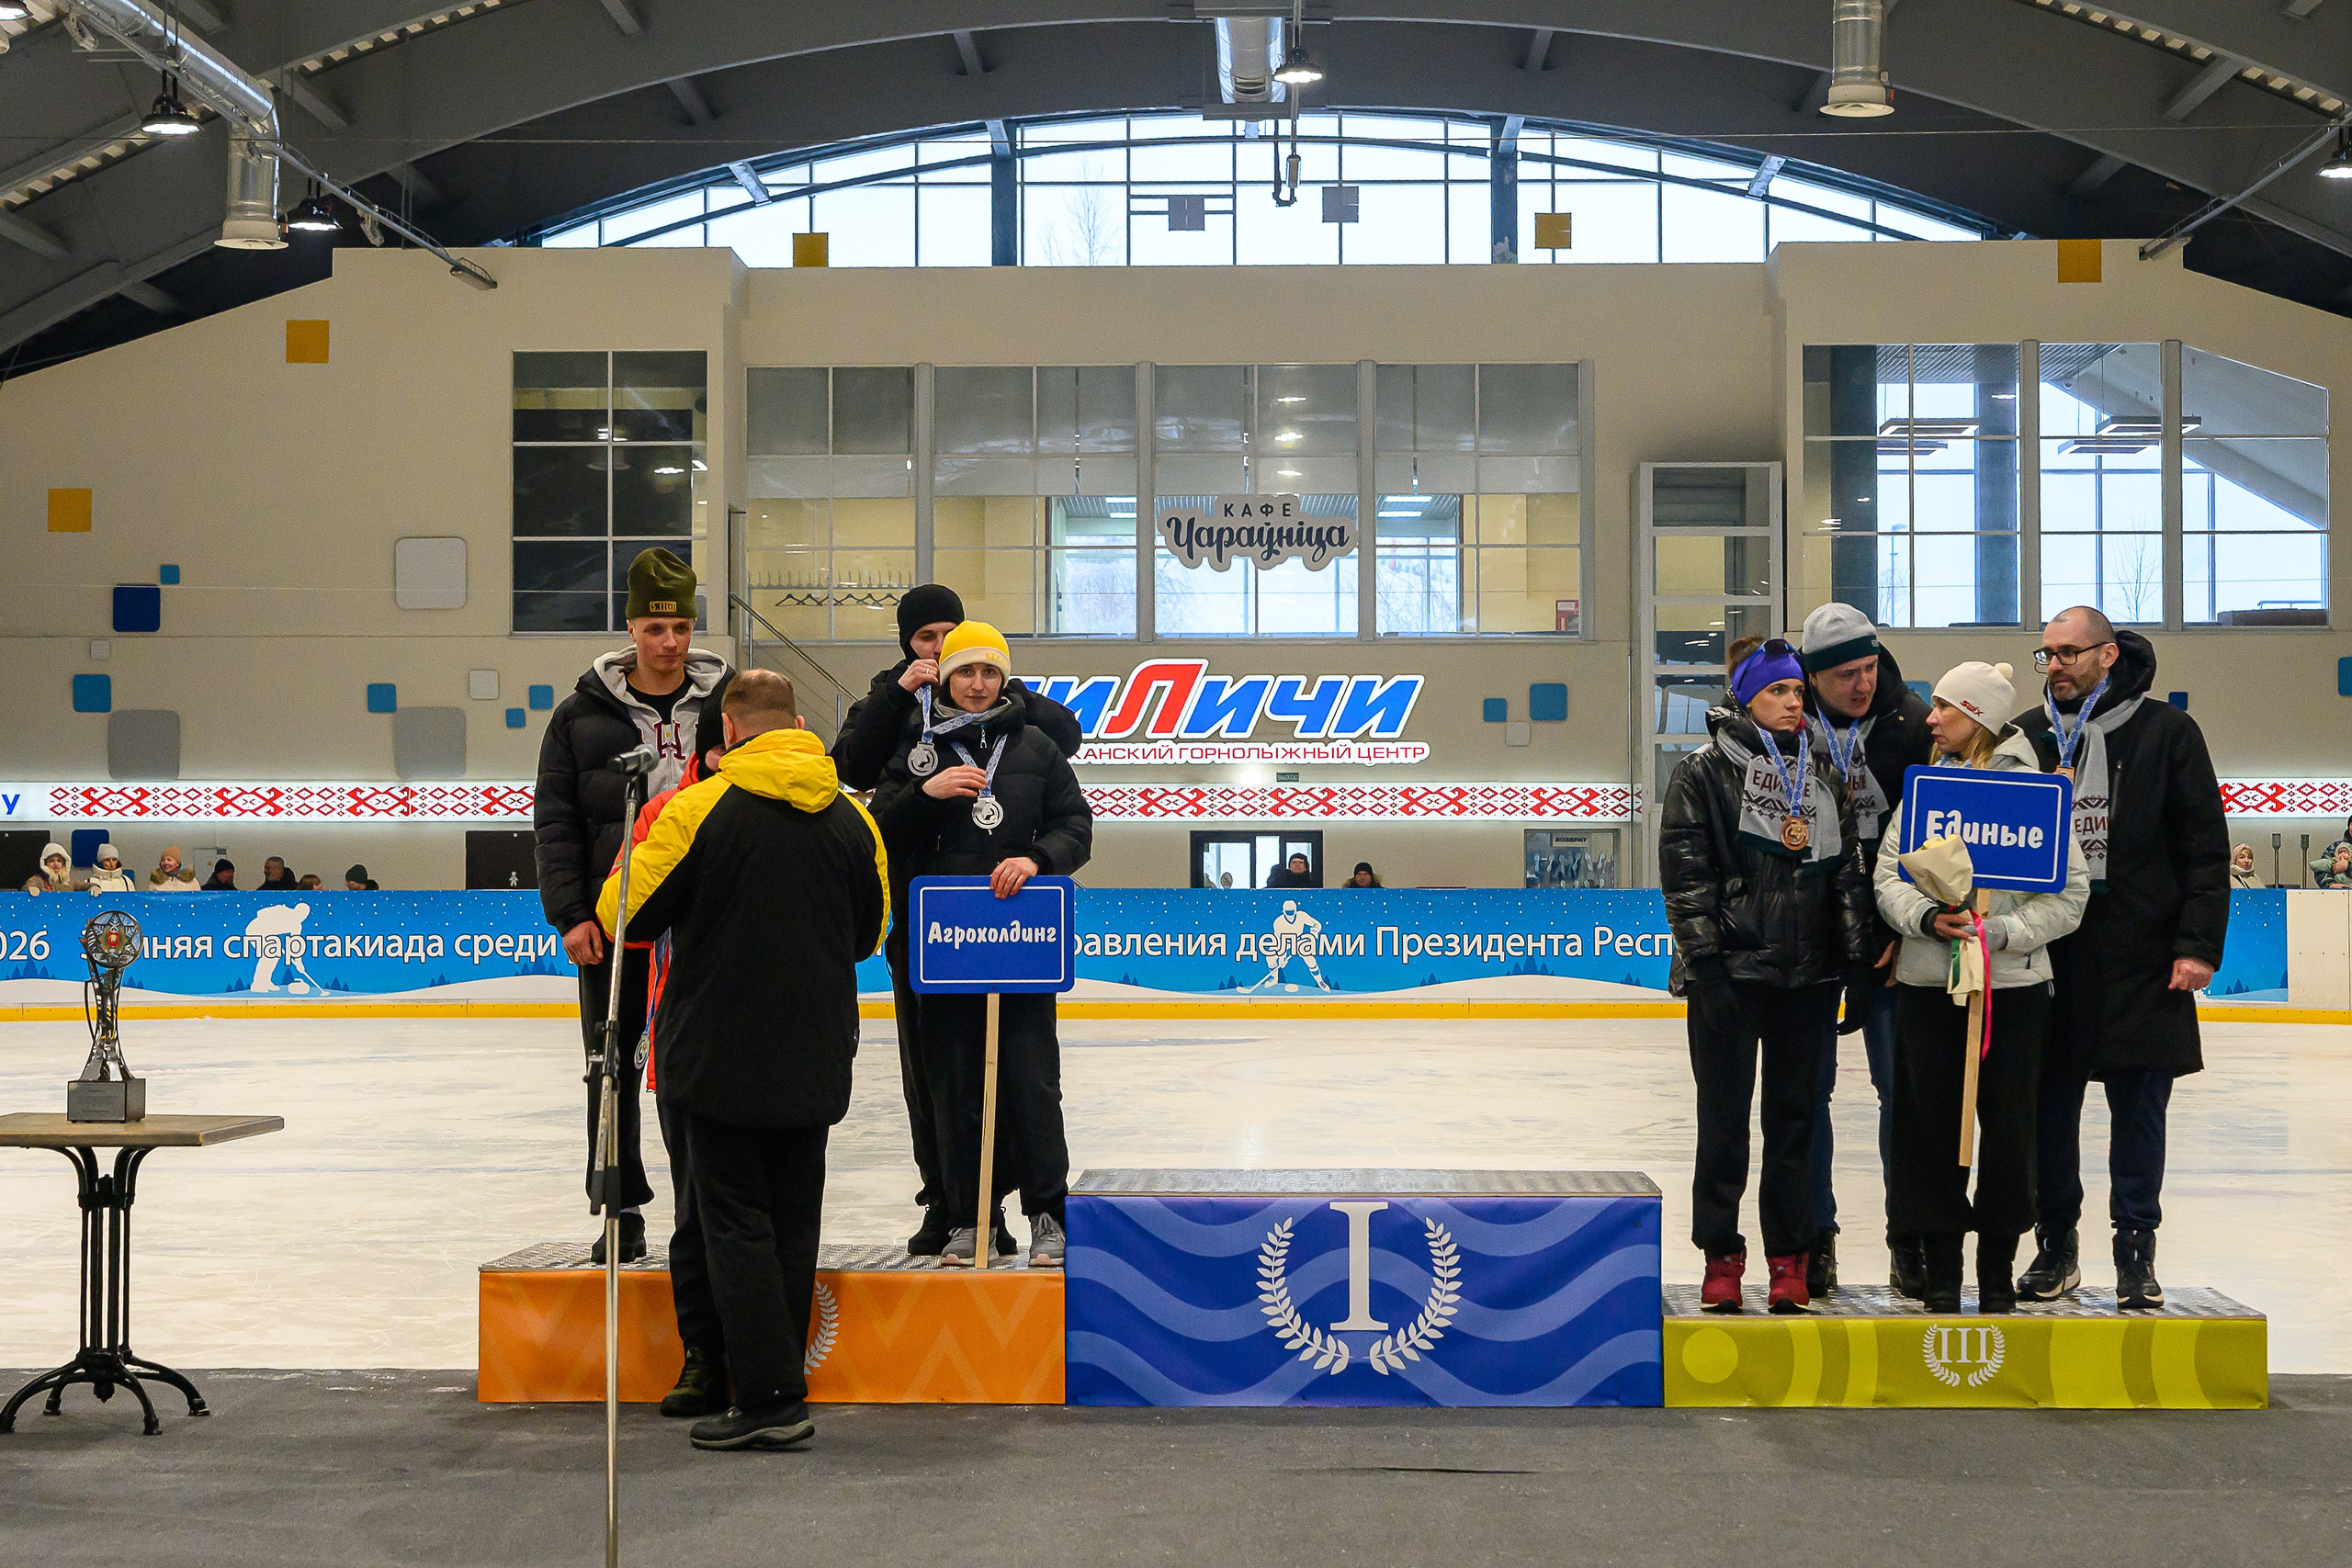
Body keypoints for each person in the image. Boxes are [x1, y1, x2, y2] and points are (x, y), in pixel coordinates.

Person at [599, 670, 887, 1452]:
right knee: (796, 1219)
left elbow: (622, 913)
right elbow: (870, 933)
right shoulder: (855, 823)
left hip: (717, 1057)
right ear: (796, 723)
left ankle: (766, 1396)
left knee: (734, 1223)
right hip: (817, 1053)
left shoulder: (697, 809)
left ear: (726, 734)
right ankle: (779, 1381)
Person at [831, 583, 1083, 1258]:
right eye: (936, 647)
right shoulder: (899, 720)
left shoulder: (1030, 739)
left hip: (1016, 936)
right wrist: (924, 791)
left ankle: (1046, 1211)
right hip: (934, 936)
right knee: (945, 1077)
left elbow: (1072, 819)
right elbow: (865, 810)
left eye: (978, 661)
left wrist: (1037, 858)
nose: (961, 667)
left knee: (1029, 1076)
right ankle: (960, 1207)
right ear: (915, 651)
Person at [2014, 608, 2228, 1311]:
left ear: (2109, 655)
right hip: (2052, 955)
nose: (2057, 666)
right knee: (2050, 1106)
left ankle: (2136, 1247)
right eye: (2047, 655)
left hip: (2144, 956)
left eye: (2070, 652)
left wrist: (2197, 945)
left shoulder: (2168, 732)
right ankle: (2056, 1244)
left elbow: (2204, 847)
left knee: (2139, 1111)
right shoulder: (2030, 736)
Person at [1659, 637, 1874, 1314]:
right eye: (1778, 691)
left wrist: (1853, 962)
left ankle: (1790, 1257)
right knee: (1722, 1123)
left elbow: (1845, 874)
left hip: (1807, 978)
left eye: (1797, 692)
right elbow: (1686, 877)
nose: (1793, 702)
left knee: (1795, 1121)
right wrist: (1706, 965)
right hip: (1730, 974)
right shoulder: (1701, 771)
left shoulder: (1822, 773)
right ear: (1745, 696)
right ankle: (1720, 1255)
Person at [536, 546, 734, 1264]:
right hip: (616, 916)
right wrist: (571, 912)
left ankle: (706, 1205)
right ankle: (620, 1203)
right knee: (610, 1061)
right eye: (655, 629)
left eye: (681, 627)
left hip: (709, 918)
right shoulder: (577, 717)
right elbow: (555, 822)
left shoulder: (729, 703)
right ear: (630, 629)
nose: (670, 643)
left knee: (704, 1065)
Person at [1873, 662, 2087, 1314]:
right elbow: (1889, 875)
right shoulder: (1928, 792)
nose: (1930, 718)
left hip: (2012, 992)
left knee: (2010, 1128)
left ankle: (1997, 1264)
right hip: (1926, 985)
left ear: (1980, 717)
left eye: (1944, 707)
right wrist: (1925, 918)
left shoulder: (2036, 796)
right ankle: (1941, 1265)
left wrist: (2002, 932)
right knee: (1928, 1126)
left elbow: (2070, 894)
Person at [1797, 603, 1935, 1299]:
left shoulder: (1913, 723)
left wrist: (1888, 927)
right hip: (1814, 943)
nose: (1861, 684)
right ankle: (1814, 1238)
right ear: (1813, 676)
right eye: (1845, 673)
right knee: (1807, 1093)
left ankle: (1906, 1238)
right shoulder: (1787, 727)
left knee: (1901, 1094)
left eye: (1869, 668)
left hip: (1892, 939)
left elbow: (1934, 841)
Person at [610, 676, 734, 1422]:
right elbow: (630, 912)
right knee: (697, 1213)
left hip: (775, 1045)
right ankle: (704, 1356)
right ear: (712, 745)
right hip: (687, 1045)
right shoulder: (664, 812)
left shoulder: (804, 805)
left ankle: (769, 1358)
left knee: (771, 1211)